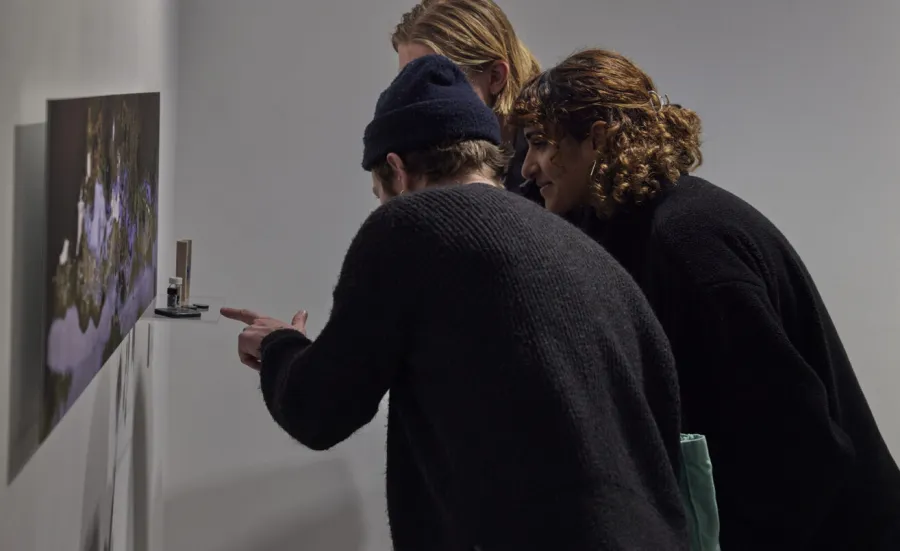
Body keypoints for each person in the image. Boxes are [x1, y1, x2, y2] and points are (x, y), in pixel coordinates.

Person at [222, 55, 690, 550]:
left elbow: (319, 409)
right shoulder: (585, 251)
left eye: (379, 193)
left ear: (398, 171)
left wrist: (279, 345)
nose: (382, 205)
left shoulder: (408, 226)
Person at [514, 48, 900, 551]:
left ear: (598, 138)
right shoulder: (627, 225)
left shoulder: (690, 242)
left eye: (540, 142)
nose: (528, 167)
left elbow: (798, 441)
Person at [391, 0, 543, 203]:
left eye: (436, 80)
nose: (414, 101)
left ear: (496, 77)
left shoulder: (555, 165)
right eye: (406, 82)